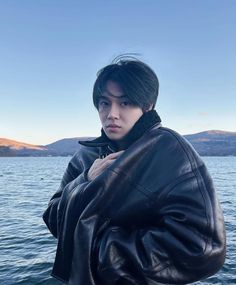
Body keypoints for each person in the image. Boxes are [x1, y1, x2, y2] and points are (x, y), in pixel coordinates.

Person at [43, 56, 226, 285]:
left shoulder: (169, 151)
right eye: (104, 103)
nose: (112, 114)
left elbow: (202, 247)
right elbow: (53, 219)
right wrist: (86, 180)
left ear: (147, 106)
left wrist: (103, 253)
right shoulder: (85, 159)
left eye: (125, 103)